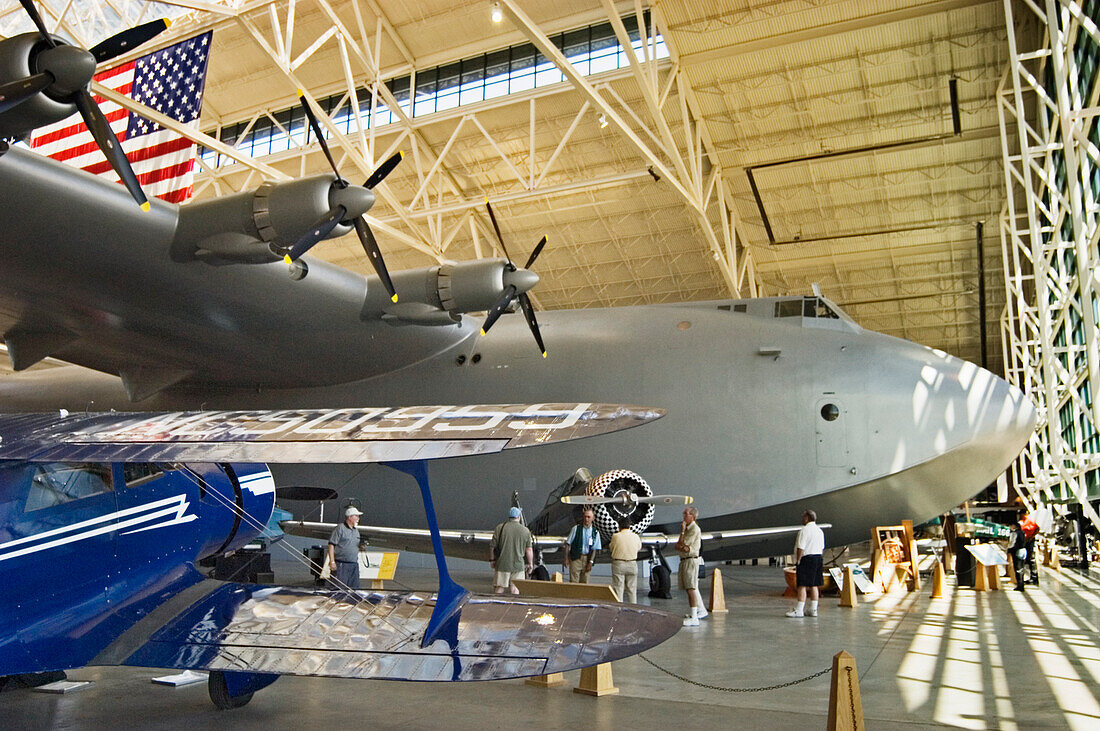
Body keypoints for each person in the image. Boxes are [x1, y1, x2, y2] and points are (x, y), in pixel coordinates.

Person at [786, 509, 824, 617]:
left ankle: (799, 610)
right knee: (814, 584)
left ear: (807, 518)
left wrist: (798, 560)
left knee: (802, 584)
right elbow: (822, 547)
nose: (802, 519)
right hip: (818, 558)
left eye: (803, 517)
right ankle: (813, 609)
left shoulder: (804, 530)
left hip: (807, 558)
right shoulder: (819, 531)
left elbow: (800, 547)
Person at [490, 506, 533, 594]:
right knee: (515, 589)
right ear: (519, 517)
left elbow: (492, 547)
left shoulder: (499, 528)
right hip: (518, 565)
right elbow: (528, 550)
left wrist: (492, 560)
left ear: (509, 517)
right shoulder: (525, 531)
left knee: (499, 588)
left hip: (502, 564)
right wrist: (530, 563)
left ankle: (495, 606)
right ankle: (513, 605)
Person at [678, 506, 707, 626]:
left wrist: (682, 534)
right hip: (686, 560)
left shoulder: (694, 529)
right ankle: (699, 611)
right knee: (690, 588)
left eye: (686, 514)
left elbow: (684, 546)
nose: (683, 516)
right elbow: (679, 546)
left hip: (691, 561)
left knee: (691, 588)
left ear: (692, 516)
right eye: (683, 513)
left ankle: (695, 617)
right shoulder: (688, 529)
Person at [327, 506, 362, 591]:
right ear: (350, 517)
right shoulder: (340, 528)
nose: (358, 518)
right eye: (356, 516)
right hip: (341, 564)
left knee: (354, 589)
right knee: (339, 589)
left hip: (353, 564)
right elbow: (331, 544)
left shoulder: (356, 531)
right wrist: (332, 561)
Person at [563, 508, 602, 583]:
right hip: (576, 558)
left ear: (593, 518)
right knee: (574, 580)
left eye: (589, 517)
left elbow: (595, 548)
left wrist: (591, 562)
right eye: (585, 517)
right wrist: (566, 558)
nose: (586, 519)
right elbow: (568, 544)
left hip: (587, 558)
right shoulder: (575, 529)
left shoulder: (595, 532)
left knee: (585, 581)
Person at [609, 517, 642, 603]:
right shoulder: (636, 536)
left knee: (618, 589)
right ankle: (633, 608)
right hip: (632, 563)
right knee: (632, 590)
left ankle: (619, 609)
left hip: (619, 564)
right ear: (629, 526)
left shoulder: (615, 536)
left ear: (619, 526)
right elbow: (639, 548)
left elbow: (611, 547)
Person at [1020, 513, 1039, 585]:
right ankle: (1031, 577)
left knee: (1031, 559)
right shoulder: (1023, 521)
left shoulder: (1029, 520)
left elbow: (1037, 529)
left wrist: (1031, 537)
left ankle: (1034, 578)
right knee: (1027, 559)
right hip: (1025, 540)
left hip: (1029, 541)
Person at [1008, 520, 1027, 591]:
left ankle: (1020, 585)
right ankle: (1022, 584)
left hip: (1017, 551)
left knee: (1017, 568)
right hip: (1023, 550)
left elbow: (1012, 542)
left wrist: (1009, 549)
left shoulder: (1014, 533)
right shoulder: (1022, 532)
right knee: (1022, 568)